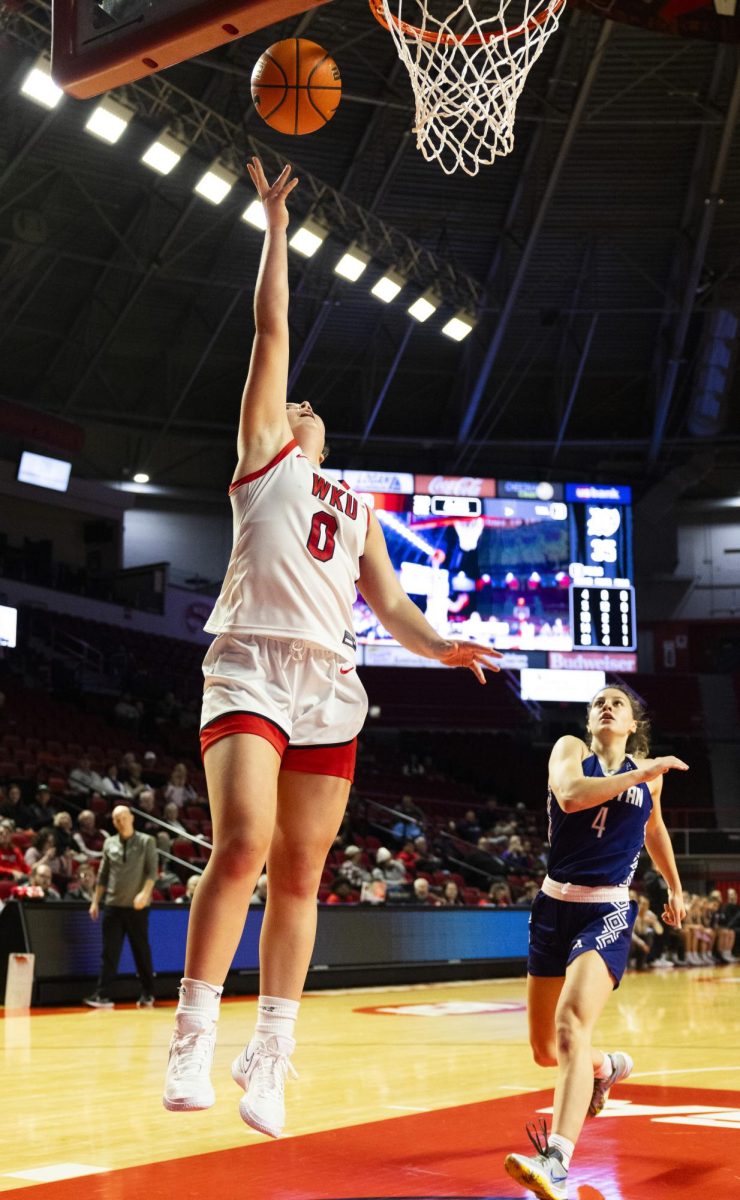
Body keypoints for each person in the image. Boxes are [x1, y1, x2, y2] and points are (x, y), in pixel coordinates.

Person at [162, 156, 501, 1135]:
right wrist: (272, 226)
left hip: (329, 679)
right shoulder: (262, 458)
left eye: (308, 406)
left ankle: (270, 1058)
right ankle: (190, 1033)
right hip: (250, 661)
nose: (296, 403)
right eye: (290, 402)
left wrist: (439, 646)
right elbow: (271, 331)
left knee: (303, 874)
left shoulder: (357, 509)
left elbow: (389, 607)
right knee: (242, 848)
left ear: (325, 432)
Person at [504, 685, 687, 1200]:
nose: (607, 707)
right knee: (545, 1051)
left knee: (570, 1025)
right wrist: (642, 774)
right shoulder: (569, 751)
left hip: (605, 907)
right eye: (599, 704)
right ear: (590, 722)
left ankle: (556, 1160)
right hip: (552, 905)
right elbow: (571, 795)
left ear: (632, 725)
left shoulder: (646, 777)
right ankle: (605, 1068)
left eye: (619, 704)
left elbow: (654, 830)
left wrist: (674, 885)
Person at [84, 805, 157, 1010]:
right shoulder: (109, 843)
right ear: (114, 822)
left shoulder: (146, 841)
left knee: (141, 950)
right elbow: (103, 875)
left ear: (132, 818)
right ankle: (102, 995)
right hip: (113, 906)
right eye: (117, 819)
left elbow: (152, 873)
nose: (121, 821)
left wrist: (144, 893)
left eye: (124, 817)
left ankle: (148, 993)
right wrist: (95, 901)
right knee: (109, 952)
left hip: (137, 907)